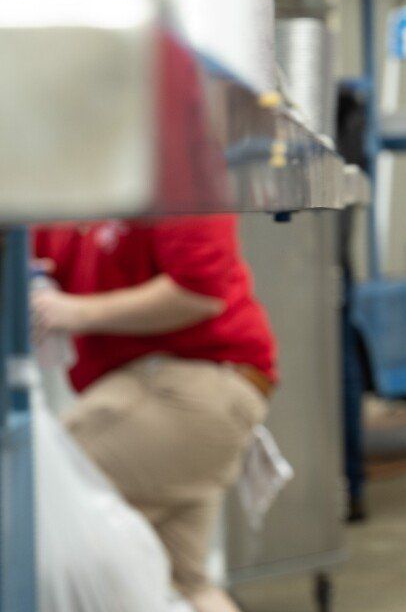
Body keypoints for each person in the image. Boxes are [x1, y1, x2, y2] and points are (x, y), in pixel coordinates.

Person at [31, 216, 276, 612]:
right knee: (185, 584)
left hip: (193, 385)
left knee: (40, 495)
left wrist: (75, 311)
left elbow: (198, 292)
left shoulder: (174, 168)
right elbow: (34, 256)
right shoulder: (69, 196)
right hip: (155, 393)